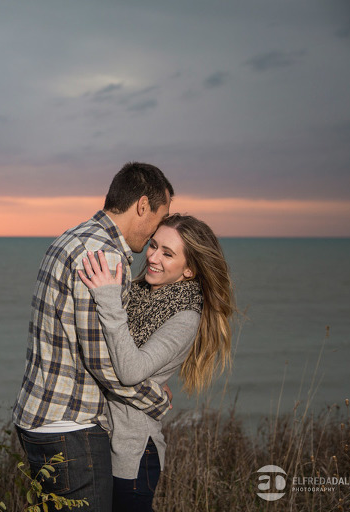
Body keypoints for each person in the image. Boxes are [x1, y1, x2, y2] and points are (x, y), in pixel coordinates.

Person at [13, 162, 175, 512]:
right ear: (142, 206)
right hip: (71, 427)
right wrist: (155, 398)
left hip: (40, 419)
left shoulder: (72, 237)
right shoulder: (105, 256)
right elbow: (104, 362)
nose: (157, 231)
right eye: (160, 218)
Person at [78, 213, 236, 511]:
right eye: (153, 245)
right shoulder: (137, 292)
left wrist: (108, 301)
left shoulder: (185, 317)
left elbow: (130, 371)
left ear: (189, 270)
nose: (152, 257)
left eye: (167, 253)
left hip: (133, 453)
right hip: (105, 440)